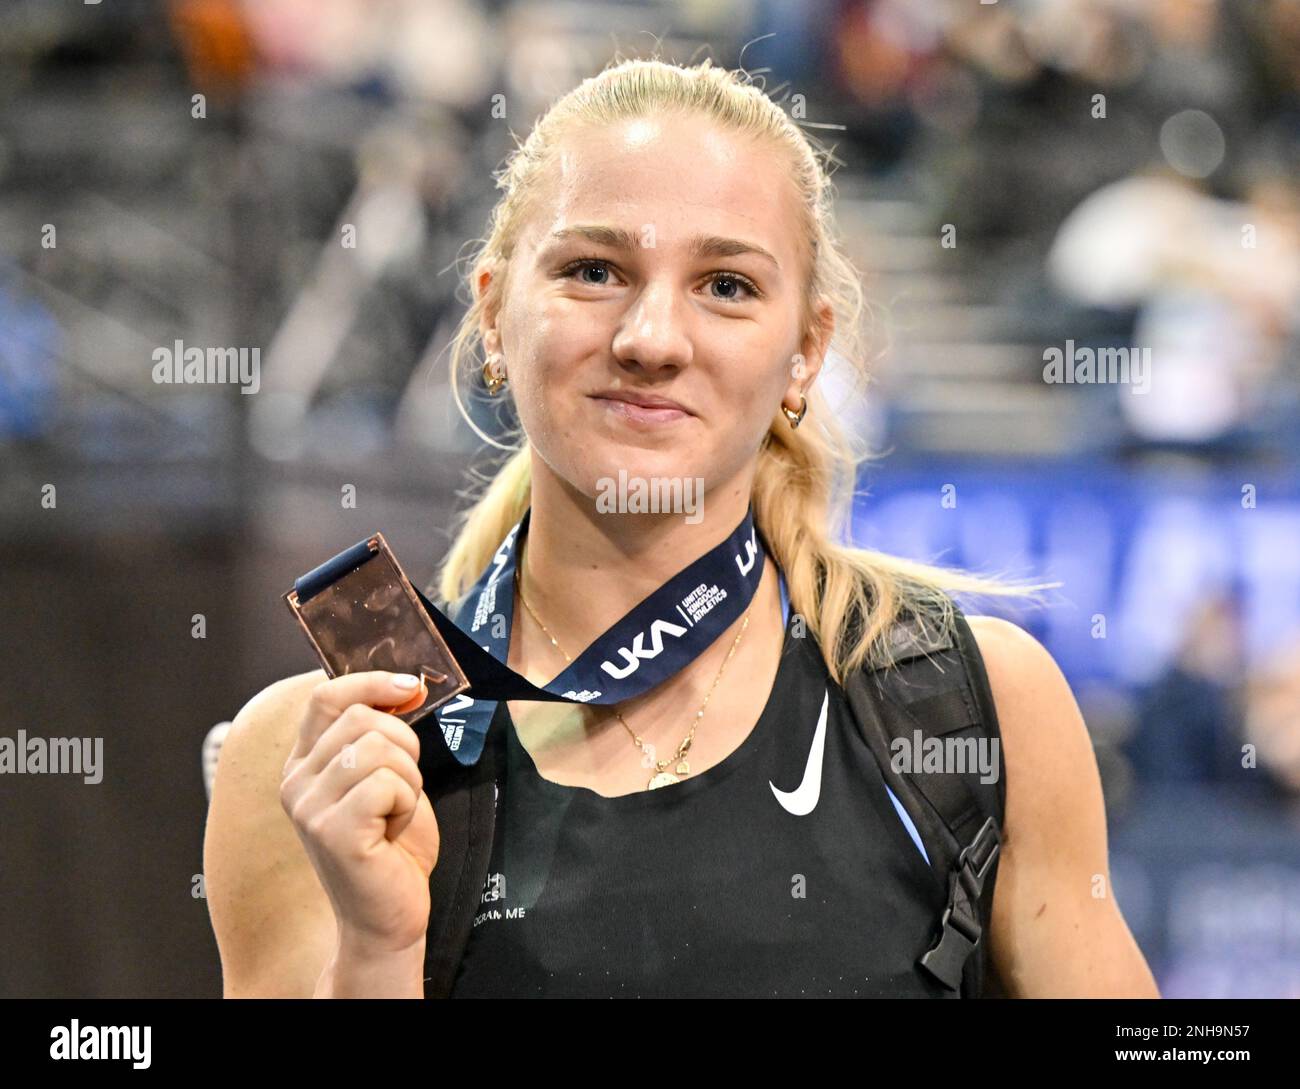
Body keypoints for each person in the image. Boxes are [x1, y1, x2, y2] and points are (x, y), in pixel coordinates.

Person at [203, 56, 1159, 999]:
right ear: (493, 315)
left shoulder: (973, 709)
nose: (652, 339)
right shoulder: (323, 756)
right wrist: (375, 953)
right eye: (594, 270)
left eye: (726, 285)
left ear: (806, 351)